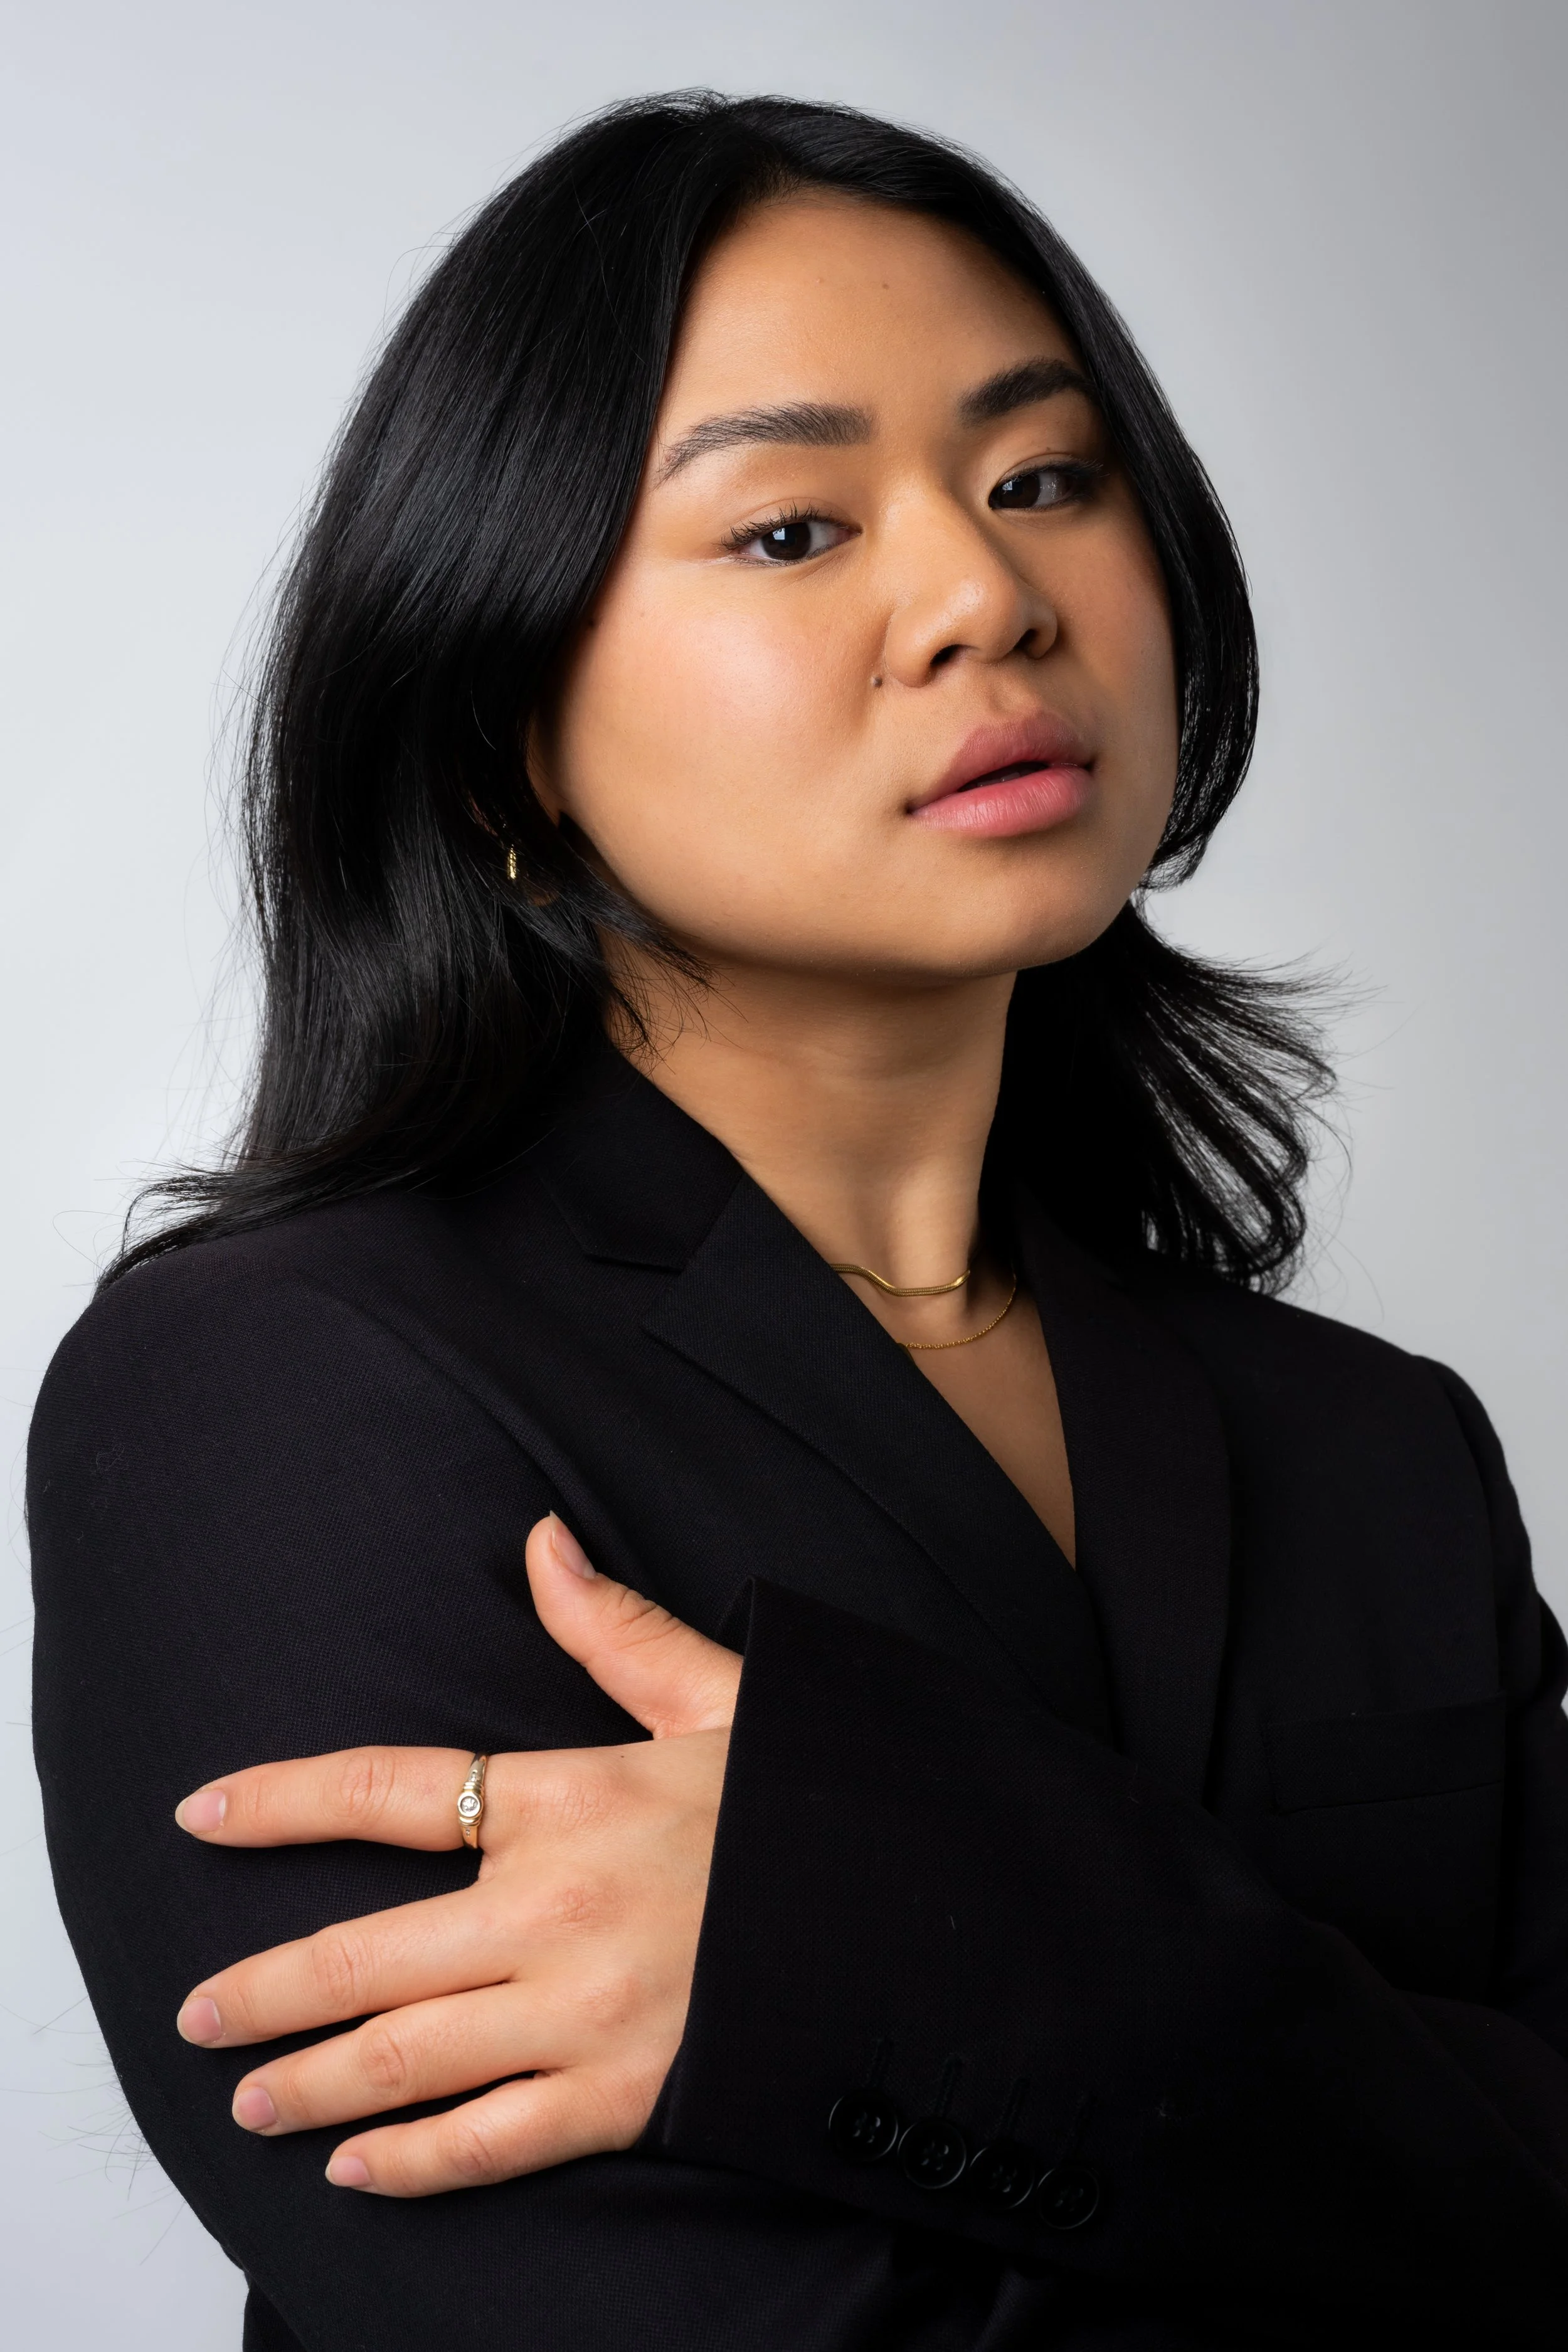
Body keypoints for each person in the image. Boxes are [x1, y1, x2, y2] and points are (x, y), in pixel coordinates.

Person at [26, 90, 1568, 2352]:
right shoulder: (279, 1392)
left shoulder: (1379, 1444)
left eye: (1042, 477)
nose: (987, 597)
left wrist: (890, 1922)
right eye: (787, 528)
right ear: (503, 734)